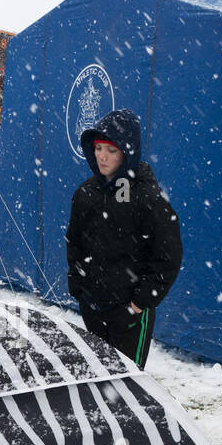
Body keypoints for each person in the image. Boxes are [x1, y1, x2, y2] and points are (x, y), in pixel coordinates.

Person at [65, 109, 183, 370]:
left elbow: (168, 256)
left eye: (111, 150)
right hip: (93, 307)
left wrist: (139, 303)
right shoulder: (85, 193)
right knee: (96, 378)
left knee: (126, 384)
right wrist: (78, 286)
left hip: (129, 313)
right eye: (98, 148)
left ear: (127, 153)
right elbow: (74, 242)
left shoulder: (147, 198)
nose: (102, 157)